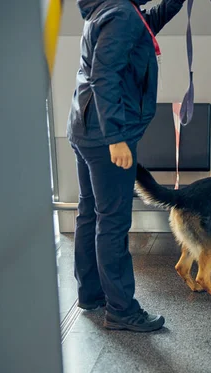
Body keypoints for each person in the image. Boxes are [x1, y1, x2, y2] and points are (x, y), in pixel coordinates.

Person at [66, 0, 186, 332]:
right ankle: (121, 309)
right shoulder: (121, 15)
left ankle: (91, 294)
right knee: (113, 221)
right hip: (106, 137)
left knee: (90, 212)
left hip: (84, 129)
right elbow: (104, 77)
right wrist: (116, 138)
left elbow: (154, 18)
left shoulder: (112, 10)